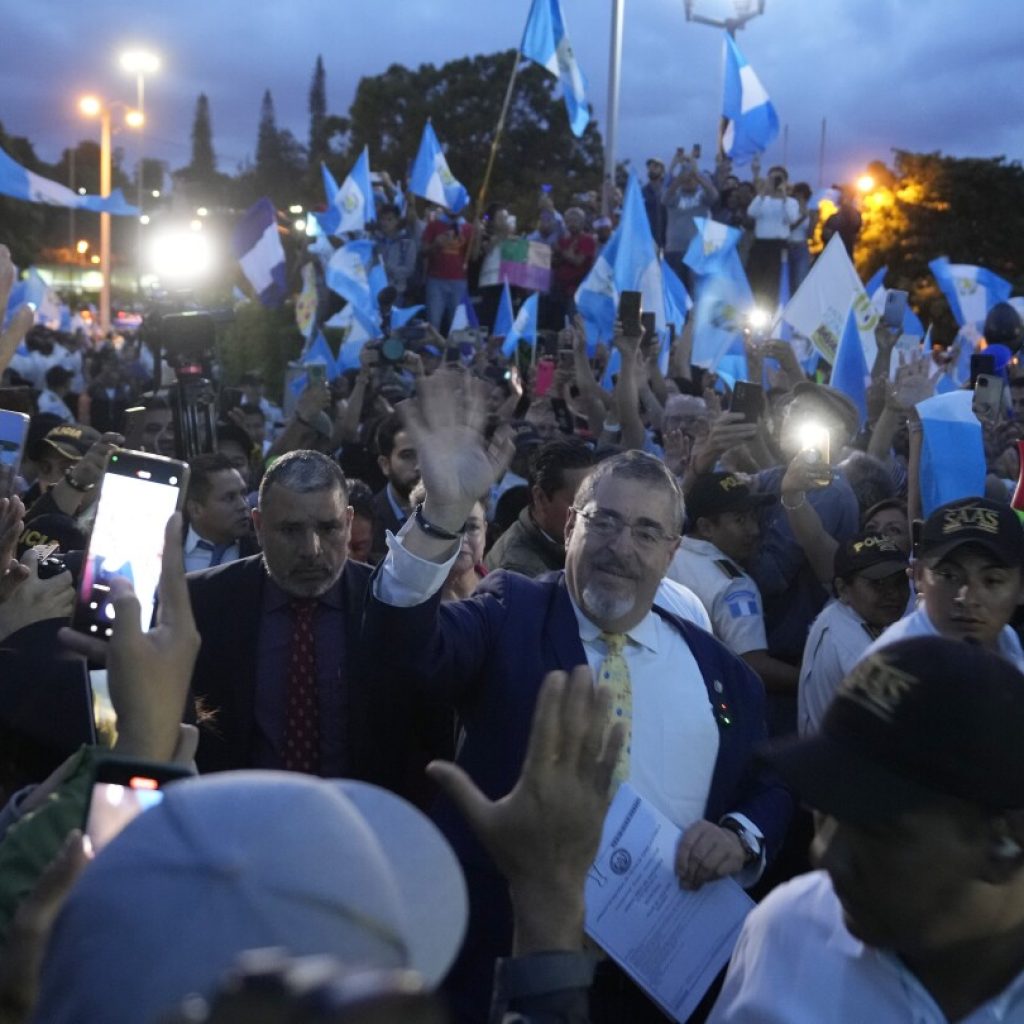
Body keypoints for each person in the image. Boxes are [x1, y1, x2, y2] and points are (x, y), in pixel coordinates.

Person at [364, 371, 792, 1020]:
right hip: (505, 965)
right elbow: (401, 648)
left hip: (654, 985)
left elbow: (772, 780)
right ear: (570, 529)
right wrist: (443, 515)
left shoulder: (721, 675)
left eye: (647, 533)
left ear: (673, 551)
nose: (621, 547)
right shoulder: (509, 612)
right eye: (605, 522)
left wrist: (741, 833)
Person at [710, 637, 1024, 1023]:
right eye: (824, 810)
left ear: (1005, 843)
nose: (824, 854)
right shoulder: (787, 930)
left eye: (879, 830)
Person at [186, 450, 429, 788]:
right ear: (258, 526)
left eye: (328, 528)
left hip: (360, 825)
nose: (311, 549)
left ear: (347, 522)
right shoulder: (204, 603)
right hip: (235, 822)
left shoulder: (387, 605)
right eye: (290, 529)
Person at [667, 472, 798, 693]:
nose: (754, 530)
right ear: (707, 527)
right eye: (740, 520)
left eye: (753, 517)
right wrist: (807, 679)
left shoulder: (668, 552)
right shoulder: (734, 586)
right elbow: (753, 664)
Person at [861, 496, 1024, 671]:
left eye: (992, 580)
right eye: (948, 576)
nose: (967, 598)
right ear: (919, 576)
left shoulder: (1004, 636)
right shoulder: (893, 669)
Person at [798, 533, 910, 735]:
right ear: (842, 588)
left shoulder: (835, 614)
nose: (892, 593)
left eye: (899, 581)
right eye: (877, 583)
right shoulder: (858, 649)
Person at [485, 436, 595, 578]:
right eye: (580, 502)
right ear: (541, 498)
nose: (591, 512)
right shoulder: (519, 573)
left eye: (595, 500)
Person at [183, 453, 258, 573]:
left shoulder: (262, 551)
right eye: (229, 498)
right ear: (195, 509)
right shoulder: (162, 551)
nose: (243, 505)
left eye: (244, 493)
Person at [746, 165, 799, 308]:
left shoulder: (791, 202)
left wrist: (784, 197)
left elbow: (792, 218)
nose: (775, 181)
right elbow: (751, 212)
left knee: (774, 282)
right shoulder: (762, 199)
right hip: (760, 245)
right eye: (772, 178)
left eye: (778, 179)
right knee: (756, 281)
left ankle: (773, 311)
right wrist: (763, 192)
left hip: (779, 246)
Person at [370, 412, 420, 562]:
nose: (420, 466)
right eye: (407, 456)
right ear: (385, 465)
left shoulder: (451, 516)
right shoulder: (369, 523)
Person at [421, 206, 475, 333]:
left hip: (459, 281)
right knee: (433, 323)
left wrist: (476, 237)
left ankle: (454, 352)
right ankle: (431, 351)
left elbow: (473, 256)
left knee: (458, 325)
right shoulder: (434, 225)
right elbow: (423, 252)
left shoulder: (468, 228)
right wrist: (435, 245)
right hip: (436, 280)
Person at [641, 157, 667, 249]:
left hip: (665, 241)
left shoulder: (668, 191)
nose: (652, 168)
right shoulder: (642, 192)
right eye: (650, 166)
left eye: (656, 166)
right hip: (647, 240)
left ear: (662, 170)